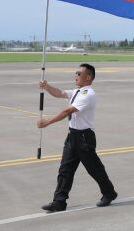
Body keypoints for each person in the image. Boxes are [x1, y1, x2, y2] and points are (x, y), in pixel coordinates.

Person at [37, 63, 117, 212]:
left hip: (84, 138)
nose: (76, 76)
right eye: (76, 73)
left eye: (79, 74)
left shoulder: (89, 94)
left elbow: (68, 110)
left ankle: (109, 193)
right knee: (65, 169)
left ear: (88, 77)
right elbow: (60, 93)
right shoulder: (77, 92)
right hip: (73, 136)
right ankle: (59, 202)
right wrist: (47, 87)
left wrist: (47, 122)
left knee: (94, 169)